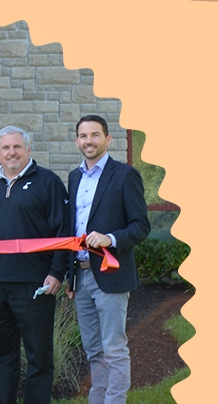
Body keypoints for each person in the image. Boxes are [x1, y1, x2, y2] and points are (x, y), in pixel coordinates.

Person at [0, 126, 69, 404]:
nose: (11, 152)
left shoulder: (48, 182)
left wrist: (56, 273)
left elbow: (63, 231)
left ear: (28, 150)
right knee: (0, 354)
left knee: (39, 357)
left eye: (17, 147)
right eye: (6, 148)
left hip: (35, 284)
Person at [65, 115, 150, 404]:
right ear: (77, 140)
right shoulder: (74, 177)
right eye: (83, 136)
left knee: (114, 348)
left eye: (95, 135)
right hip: (81, 274)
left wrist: (110, 239)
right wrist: (69, 275)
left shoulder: (125, 175)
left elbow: (141, 226)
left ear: (108, 139)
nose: (89, 141)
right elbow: (72, 228)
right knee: (93, 350)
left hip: (110, 273)